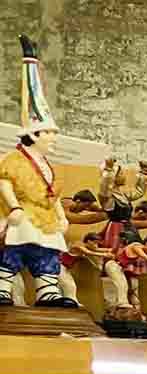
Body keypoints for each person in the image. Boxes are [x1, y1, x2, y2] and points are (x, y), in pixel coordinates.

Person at [0, 37, 78, 309]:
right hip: (23, 214)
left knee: (47, 253)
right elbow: (5, 183)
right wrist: (13, 207)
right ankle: (2, 288)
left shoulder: (47, 165)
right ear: (34, 134)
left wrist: (61, 215)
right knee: (14, 251)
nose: (53, 139)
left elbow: (52, 194)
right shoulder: (13, 159)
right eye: (49, 134)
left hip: (45, 218)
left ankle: (48, 292)